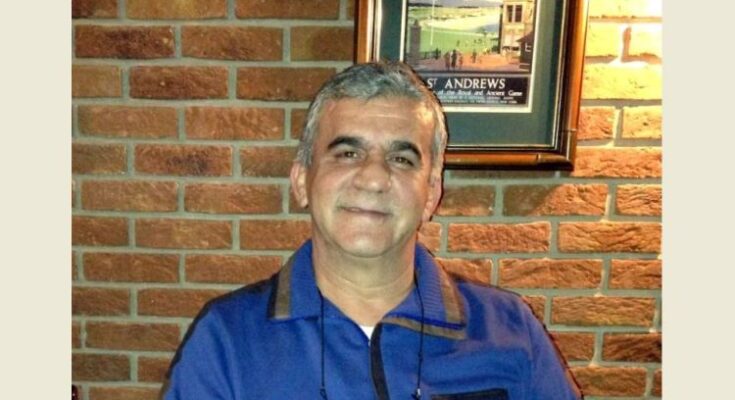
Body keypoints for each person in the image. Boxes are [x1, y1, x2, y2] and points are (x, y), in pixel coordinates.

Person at [162, 62, 582, 400]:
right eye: (347, 153)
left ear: (431, 193)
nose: (374, 178)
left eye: (402, 159)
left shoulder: (509, 330)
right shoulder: (227, 340)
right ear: (302, 181)